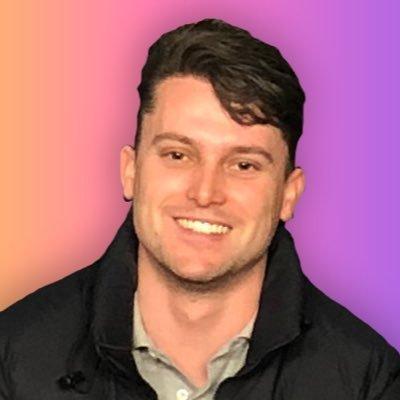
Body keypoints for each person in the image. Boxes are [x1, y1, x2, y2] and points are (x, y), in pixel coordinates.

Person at [0, 18, 399, 400]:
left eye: (243, 165)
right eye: (178, 155)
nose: (206, 193)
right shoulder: (12, 358)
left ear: (288, 194)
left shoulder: (369, 381)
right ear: (130, 171)